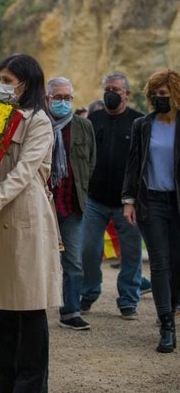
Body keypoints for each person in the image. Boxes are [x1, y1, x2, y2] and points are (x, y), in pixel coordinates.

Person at [0, 54, 62, 392]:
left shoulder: (39, 121)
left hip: (23, 217)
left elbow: (24, 173)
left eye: (8, 80)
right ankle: (5, 377)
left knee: (29, 306)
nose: (2, 86)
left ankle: (31, 383)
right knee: (3, 302)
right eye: (0, 78)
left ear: (26, 84)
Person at [122, 69, 180, 353]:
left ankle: (172, 305)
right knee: (159, 263)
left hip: (177, 202)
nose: (159, 99)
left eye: (164, 95)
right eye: (155, 95)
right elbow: (133, 164)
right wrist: (129, 200)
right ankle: (166, 324)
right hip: (151, 201)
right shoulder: (143, 125)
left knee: (176, 263)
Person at [81, 73, 144, 319]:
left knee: (131, 253)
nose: (110, 93)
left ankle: (128, 300)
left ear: (126, 94)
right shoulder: (93, 120)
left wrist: (136, 198)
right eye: (107, 88)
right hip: (94, 200)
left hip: (127, 203)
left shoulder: (139, 122)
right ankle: (88, 292)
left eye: (116, 89)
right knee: (88, 249)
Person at [46, 77, 96, 330]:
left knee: (73, 261)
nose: (63, 102)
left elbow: (90, 161)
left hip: (72, 204)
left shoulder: (83, 126)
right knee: (37, 260)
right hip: (43, 206)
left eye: (67, 97)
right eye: (58, 97)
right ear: (47, 99)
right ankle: (29, 310)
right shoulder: (38, 123)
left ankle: (70, 311)